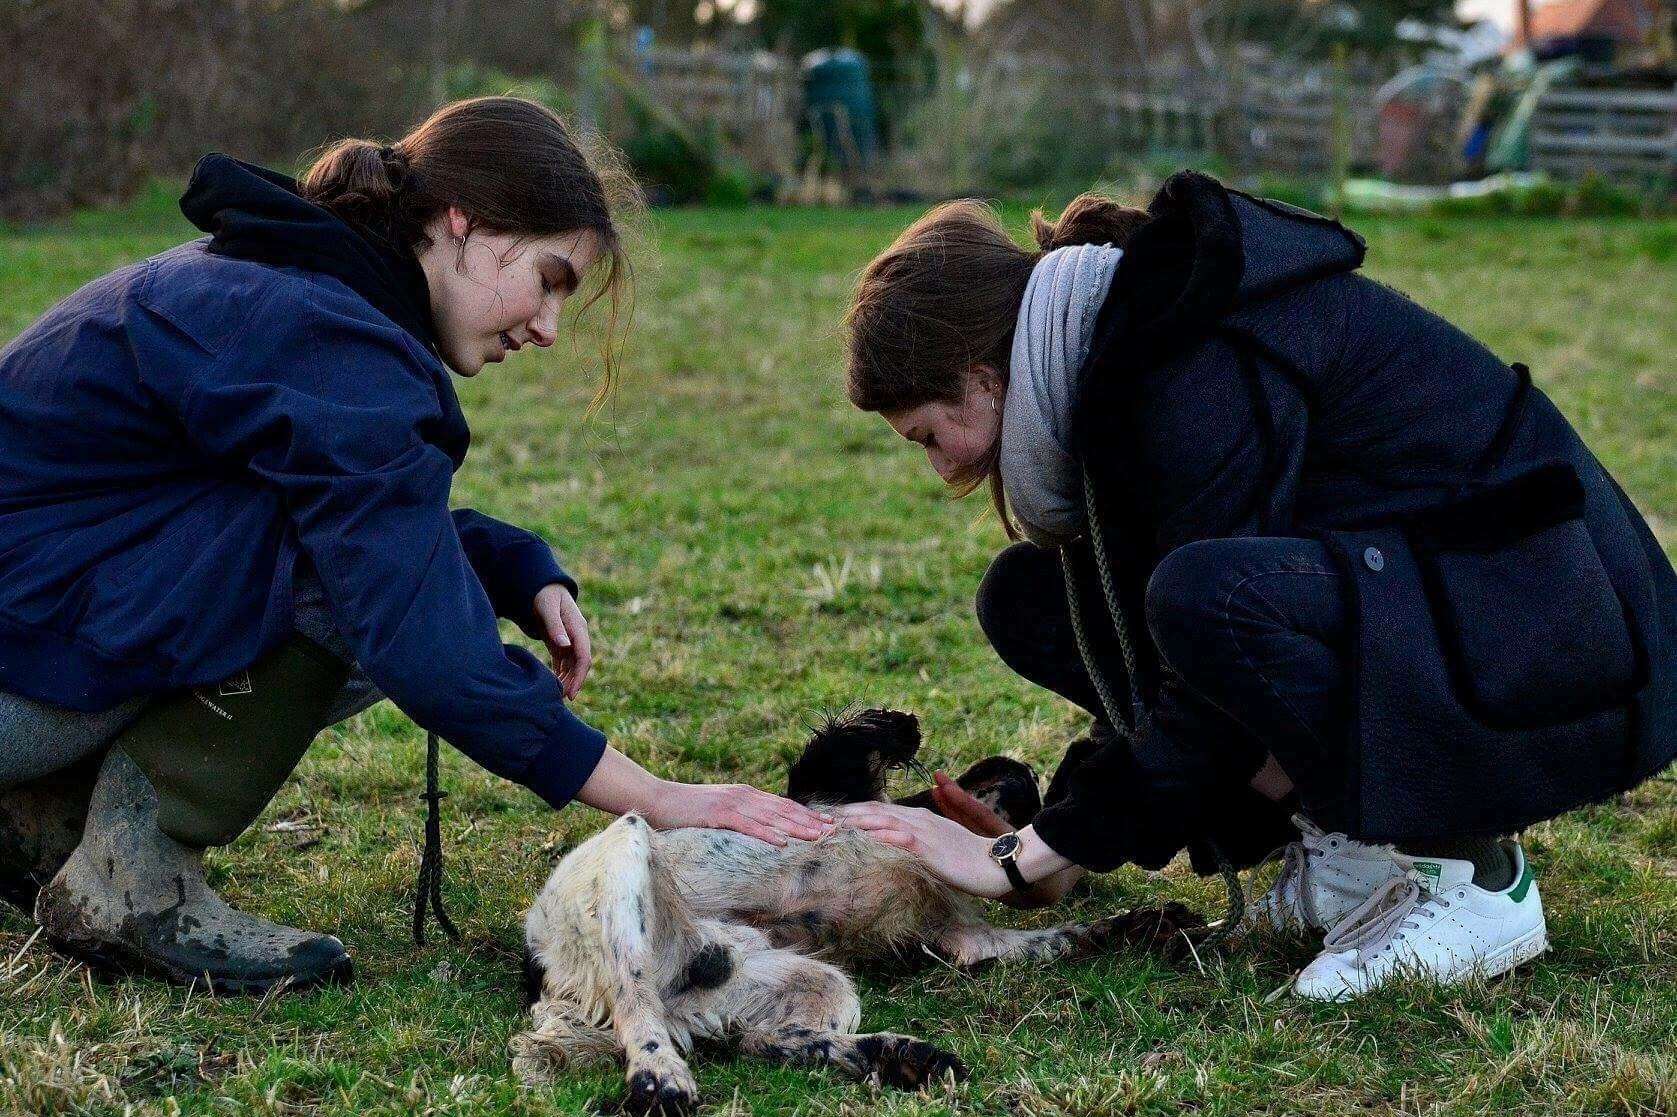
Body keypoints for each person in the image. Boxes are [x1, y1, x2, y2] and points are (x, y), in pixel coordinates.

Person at [0, 97, 828, 994]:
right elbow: (418, 633)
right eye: (548, 278)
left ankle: (43, 818)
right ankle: (132, 879)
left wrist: (508, 563)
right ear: (461, 223)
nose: (549, 327)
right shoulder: (330, 333)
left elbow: (309, 514)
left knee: (358, 572)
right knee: (353, 597)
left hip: (30, 636)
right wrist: (659, 799)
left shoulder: (293, 282)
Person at [835, 171, 1675, 1000]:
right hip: (1470, 617)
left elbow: (1206, 656)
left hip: (1566, 643)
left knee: (1208, 598)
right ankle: (1351, 846)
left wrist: (1030, 851)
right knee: (1029, 597)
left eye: (928, 435)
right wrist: (1062, 834)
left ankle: (1467, 875)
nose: (944, 466)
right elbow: (1144, 651)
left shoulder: (1187, 359)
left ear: (982, 376)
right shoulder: (1115, 349)